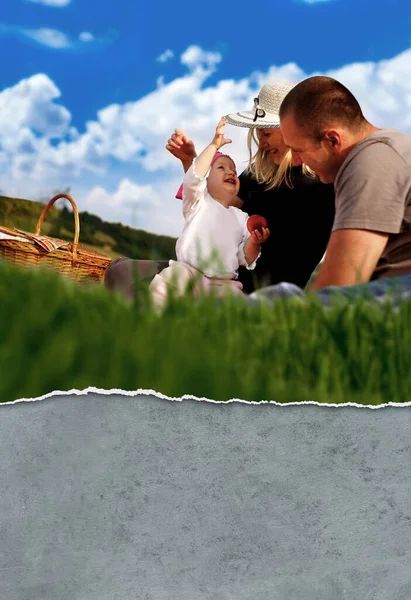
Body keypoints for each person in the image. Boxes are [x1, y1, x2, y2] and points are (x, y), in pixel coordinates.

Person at [104, 81, 335, 300]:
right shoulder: (257, 174)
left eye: (266, 134)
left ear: (291, 130)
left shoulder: (321, 186)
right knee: (120, 271)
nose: (262, 144)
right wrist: (191, 162)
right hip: (206, 274)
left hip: (253, 293)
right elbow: (213, 203)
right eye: (258, 135)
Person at [277, 75, 411, 291]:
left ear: (332, 140)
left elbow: (338, 288)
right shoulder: (384, 151)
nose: (295, 160)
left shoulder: (372, 161)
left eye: (298, 150)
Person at [148, 117, 270, 308]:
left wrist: (254, 242)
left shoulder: (241, 218)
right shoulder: (198, 201)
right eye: (221, 167)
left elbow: (245, 257)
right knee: (168, 282)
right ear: (206, 178)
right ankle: (151, 319)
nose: (230, 172)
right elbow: (194, 176)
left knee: (237, 307)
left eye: (234, 170)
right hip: (188, 272)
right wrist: (213, 145)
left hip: (224, 283)